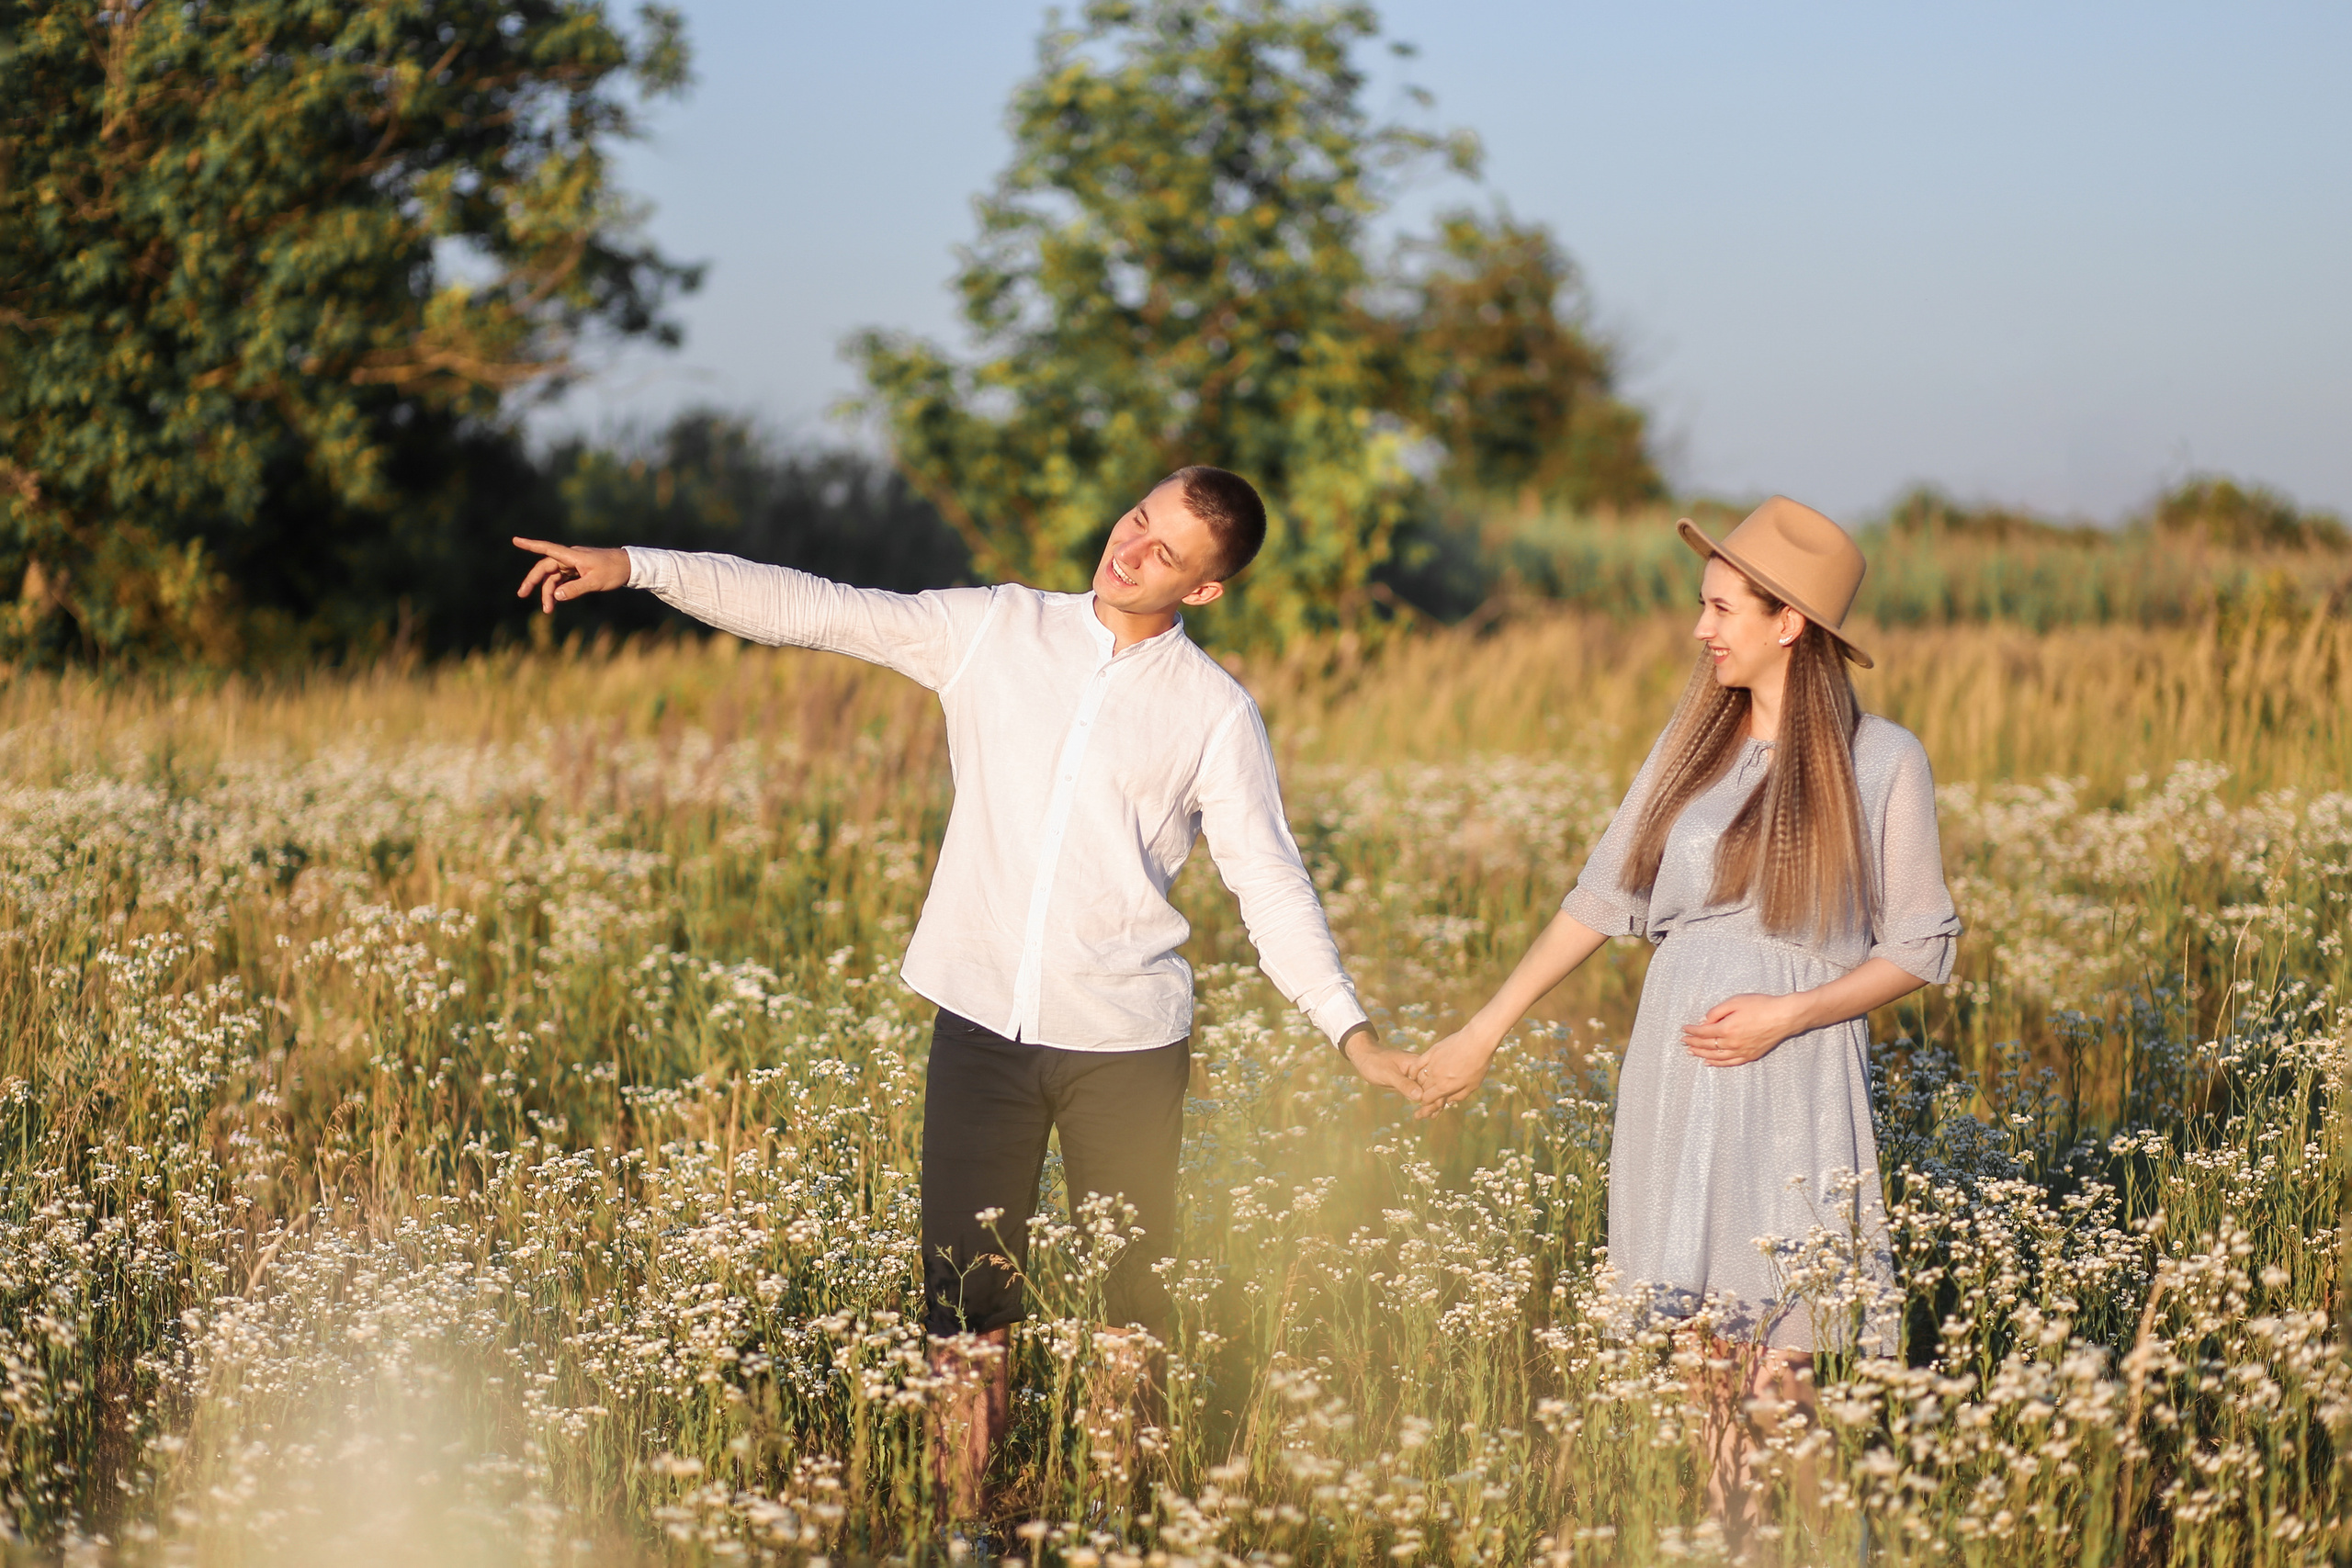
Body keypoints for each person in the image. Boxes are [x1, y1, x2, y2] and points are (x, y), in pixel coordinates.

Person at [512, 466, 1424, 1519]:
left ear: (1206, 592)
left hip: (1125, 1039)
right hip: (982, 1025)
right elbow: (817, 609)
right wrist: (636, 567)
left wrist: (1350, 1033)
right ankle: (961, 1524)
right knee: (963, 1299)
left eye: (1164, 552)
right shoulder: (998, 628)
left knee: (1132, 1301)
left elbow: (1266, 879)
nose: (1129, 550)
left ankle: (1120, 1523)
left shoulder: (1213, 714)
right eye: (1136, 519)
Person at [1409, 496, 1960, 1532]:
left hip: (1791, 1070)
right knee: (1705, 1355)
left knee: (1778, 1368)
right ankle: (1732, 1544)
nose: (1700, 629)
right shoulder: (1689, 744)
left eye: (1721, 609)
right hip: (1676, 1064)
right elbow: (1599, 897)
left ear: (1787, 620)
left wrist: (1788, 1015)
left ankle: (1826, 1549)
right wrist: (1483, 1030)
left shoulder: (1883, 758)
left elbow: (1918, 948)